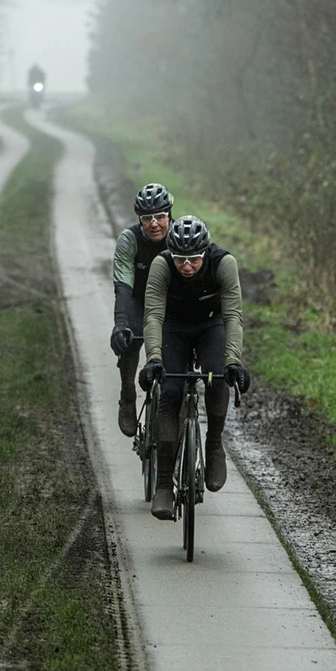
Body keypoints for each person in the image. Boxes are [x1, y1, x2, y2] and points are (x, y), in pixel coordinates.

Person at [139, 215, 251, 520]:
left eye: (193, 260)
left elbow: (233, 318)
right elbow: (152, 317)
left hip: (209, 326)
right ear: (171, 255)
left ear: (205, 253)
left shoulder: (224, 263)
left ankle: (214, 445)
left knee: (218, 379)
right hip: (173, 328)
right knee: (171, 392)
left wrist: (233, 362)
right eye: (180, 260)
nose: (186, 266)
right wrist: (154, 359)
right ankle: (164, 484)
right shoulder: (162, 266)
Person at [110, 183, 174, 436]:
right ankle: (127, 393)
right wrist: (120, 323)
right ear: (140, 220)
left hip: (171, 303)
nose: (154, 223)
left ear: (170, 214)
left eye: (160, 216)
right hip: (138, 300)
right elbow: (123, 288)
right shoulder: (130, 239)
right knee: (130, 336)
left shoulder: (181, 237)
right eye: (146, 218)